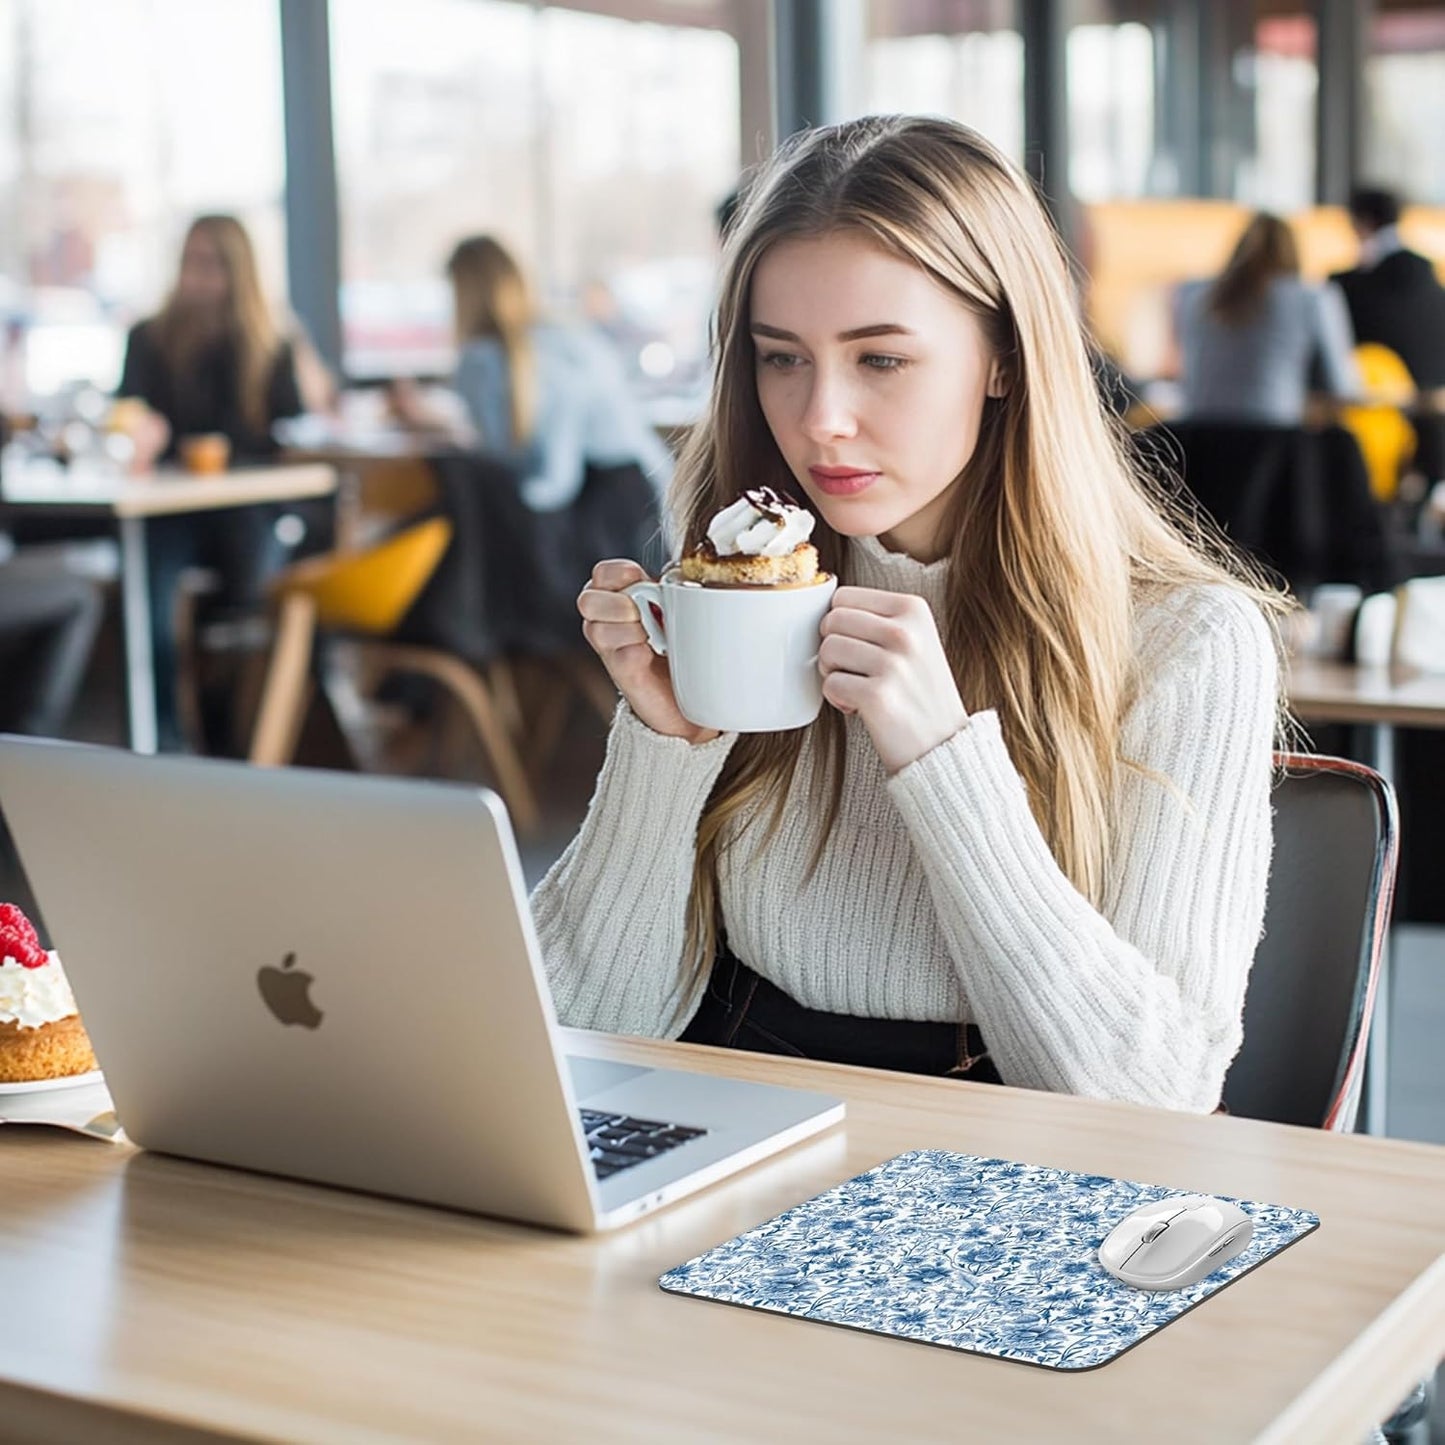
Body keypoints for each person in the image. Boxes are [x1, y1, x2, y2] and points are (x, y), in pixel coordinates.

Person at [534, 115, 1286, 1114]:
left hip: (1003, 1154)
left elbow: (1151, 1100)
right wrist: (665, 747)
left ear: (1004, 356)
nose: (818, 418)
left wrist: (942, 759)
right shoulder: (739, 599)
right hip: (734, 1119)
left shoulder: (1187, 641)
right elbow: (574, 1027)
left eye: (880, 359)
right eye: (780, 357)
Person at [116, 215, 305, 751]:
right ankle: (162, 742)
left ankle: (233, 742)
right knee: (146, 597)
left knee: (249, 596)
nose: (196, 276)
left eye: (210, 263)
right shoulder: (148, 338)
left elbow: (289, 432)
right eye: (190, 261)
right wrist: (140, 434)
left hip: (244, 508)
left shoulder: (271, 345)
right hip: (168, 509)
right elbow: (129, 413)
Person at [436, 235, 674, 513]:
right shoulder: (570, 334)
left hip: (582, 506)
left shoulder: (481, 359)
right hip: (649, 496)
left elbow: (505, 461)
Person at [1173, 212, 1359, 425]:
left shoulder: (1192, 294)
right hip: (1274, 436)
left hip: (1196, 436)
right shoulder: (1313, 298)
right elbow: (1342, 386)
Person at [1330, 186, 1445, 392]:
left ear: (1363, 223)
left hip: (1377, 402)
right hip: (1434, 401)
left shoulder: (1348, 288)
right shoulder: (1430, 279)